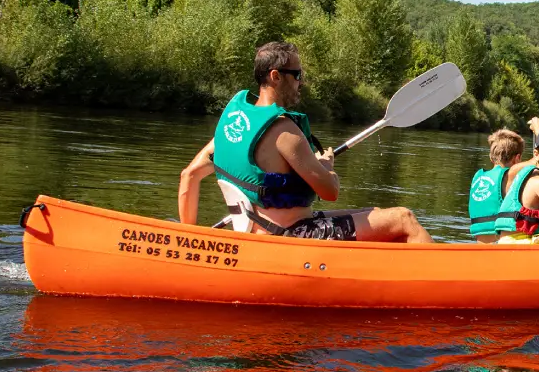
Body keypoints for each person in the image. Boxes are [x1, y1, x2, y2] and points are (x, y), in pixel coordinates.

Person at [177, 41, 432, 243]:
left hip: (256, 234)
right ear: (276, 76)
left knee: (375, 212)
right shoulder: (283, 130)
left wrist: (190, 242)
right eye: (297, 74)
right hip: (291, 235)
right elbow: (330, 192)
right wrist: (327, 166)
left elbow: (189, 176)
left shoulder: (233, 126)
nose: (301, 81)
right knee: (404, 218)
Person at [468, 119, 539, 242]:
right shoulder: (509, 175)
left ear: (491, 157)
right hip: (500, 247)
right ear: (517, 159)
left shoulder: (477, 176)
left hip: (480, 245)